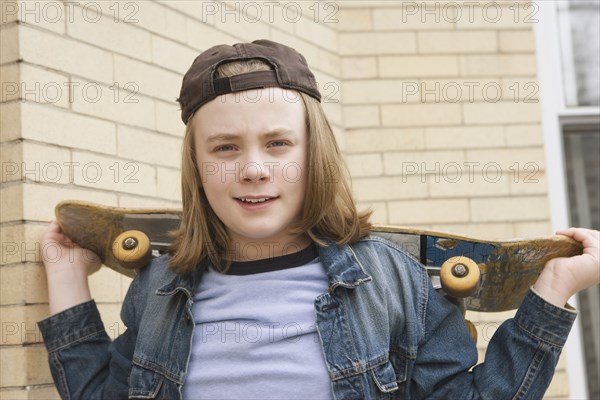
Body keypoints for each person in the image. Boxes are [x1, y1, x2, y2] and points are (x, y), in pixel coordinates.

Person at [38, 39, 600, 399]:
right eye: (226, 148)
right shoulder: (159, 287)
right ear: (198, 167)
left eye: (279, 143)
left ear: (316, 155)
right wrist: (65, 275)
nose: (254, 169)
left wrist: (550, 293)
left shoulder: (395, 284)